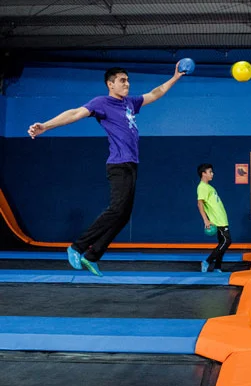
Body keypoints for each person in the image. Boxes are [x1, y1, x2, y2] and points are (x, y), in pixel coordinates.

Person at [27, 63, 185, 276]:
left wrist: (175, 77)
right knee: (116, 209)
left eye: (128, 80)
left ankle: (92, 256)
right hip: (118, 164)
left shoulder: (130, 102)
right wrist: (45, 126)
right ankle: (77, 247)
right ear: (110, 84)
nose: (127, 83)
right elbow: (74, 114)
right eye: (122, 80)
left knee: (123, 215)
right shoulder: (102, 103)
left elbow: (155, 94)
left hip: (131, 164)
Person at [197, 163, 231, 273]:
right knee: (227, 241)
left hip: (221, 219)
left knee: (222, 243)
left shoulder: (209, 187)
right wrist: (206, 220)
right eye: (210, 172)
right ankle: (207, 261)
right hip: (217, 220)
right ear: (203, 173)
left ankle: (217, 267)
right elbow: (200, 204)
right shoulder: (202, 187)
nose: (212, 174)